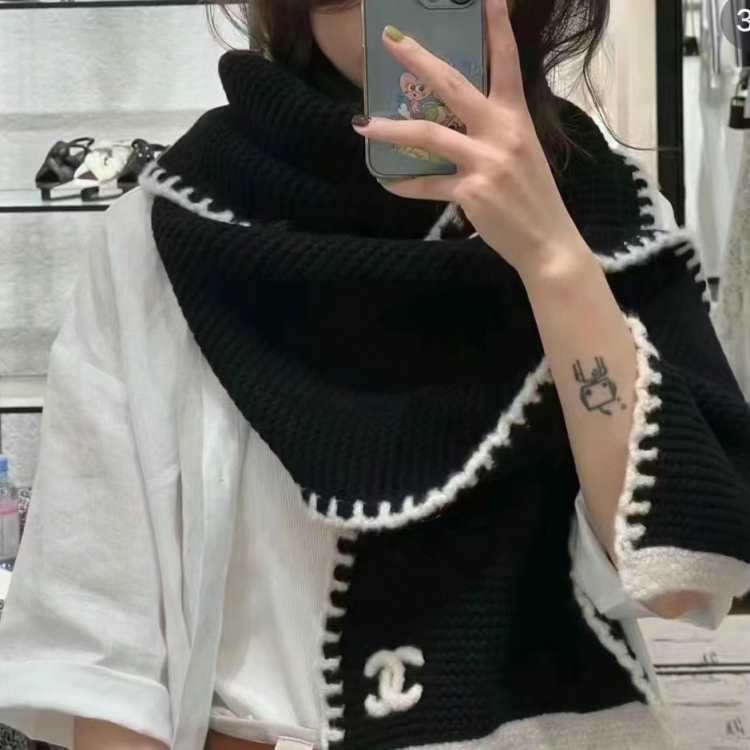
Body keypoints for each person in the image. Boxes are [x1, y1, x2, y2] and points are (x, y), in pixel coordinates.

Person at [1, 1, 749, 749]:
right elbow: (103, 640)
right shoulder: (167, 231)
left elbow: (681, 576)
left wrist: (553, 258)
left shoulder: (608, 212)